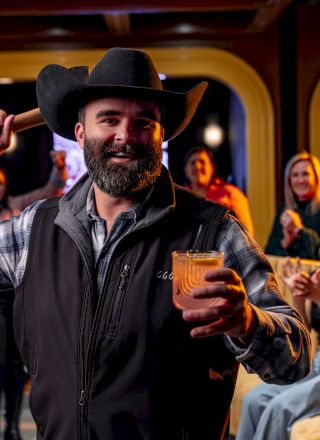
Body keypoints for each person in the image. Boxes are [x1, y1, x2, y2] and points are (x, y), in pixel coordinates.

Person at [0, 47, 311, 440]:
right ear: (80, 133)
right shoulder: (34, 228)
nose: (125, 136)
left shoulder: (213, 229)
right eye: (109, 119)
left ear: (162, 135)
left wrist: (248, 323)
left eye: (143, 122)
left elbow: (294, 360)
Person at [0, 152, 67, 440]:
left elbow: (48, 191)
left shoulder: (15, 206)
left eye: (0, 181)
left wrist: (59, 168)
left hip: (8, 301)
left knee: (13, 366)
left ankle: (12, 425)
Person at [236, 258, 320, 440]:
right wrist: (298, 296)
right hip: (316, 366)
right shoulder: (317, 277)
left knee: (279, 409)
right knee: (254, 399)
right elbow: (302, 338)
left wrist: (317, 298)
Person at [184, 145, 254, 236]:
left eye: (202, 162)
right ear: (185, 169)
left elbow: (246, 233)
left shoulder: (231, 194)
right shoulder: (180, 197)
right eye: (192, 162)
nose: (197, 166)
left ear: (212, 167)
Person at [265, 152, 320, 259]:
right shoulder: (284, 209)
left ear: (316, 178)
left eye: (306, 174)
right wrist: (287, 241)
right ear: (289, 181)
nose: (300, 180)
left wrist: (299, 229)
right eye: (295, 175)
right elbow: (269, 254)